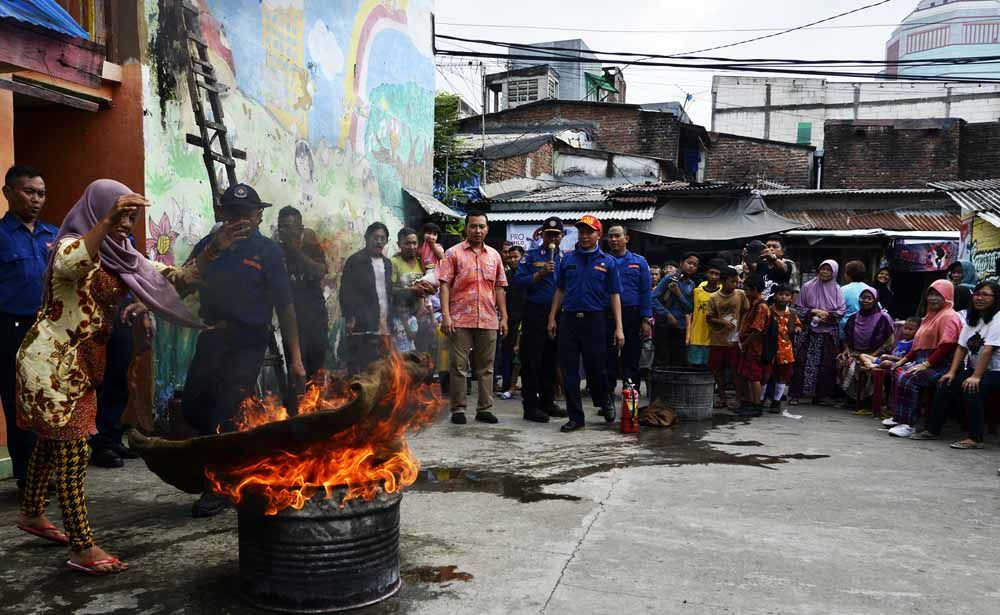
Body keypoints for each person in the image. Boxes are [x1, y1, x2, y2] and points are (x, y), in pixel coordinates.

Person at [17, 179, 202, 575]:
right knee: (74, 450)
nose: (125, 225)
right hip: (51, 364)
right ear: (97, 212)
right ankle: (82, 546)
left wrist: (214, 257)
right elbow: (77, 260)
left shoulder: (124, 256)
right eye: (119, 216)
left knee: (52, 445)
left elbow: (167, 274)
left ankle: (32, 514)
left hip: (82, 364)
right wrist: (106, 222)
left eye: (131, 218)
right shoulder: (67, 246)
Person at [183, 183, 305, 517]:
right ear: (222, 214)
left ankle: (220, 486)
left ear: (257, 216)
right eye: (233, 213)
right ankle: (224, 468)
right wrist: (214, 250)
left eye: (247, 213)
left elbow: (285, 306)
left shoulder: (267, 251)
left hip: (249, 340)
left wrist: (295, 359)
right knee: (194, 406)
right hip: (211, 335)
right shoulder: (209, 246)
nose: (241, 220)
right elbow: (182, 283)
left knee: (227, 408)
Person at [0, 165, 57, 492]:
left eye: (41, 193)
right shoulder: (2, 236)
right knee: (19, 403)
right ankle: (28, 475)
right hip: (12, 329)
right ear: (8, 193)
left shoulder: (55, 235)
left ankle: (47, 468)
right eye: (29, 192)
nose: (36, 199)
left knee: (49, 401)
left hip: (49, 331)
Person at [547, 215, 623, 432]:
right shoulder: (567, 259)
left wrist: (619, 327)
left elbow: (615, 295)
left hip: (596, 320)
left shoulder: (608, 262)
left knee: (596, 369)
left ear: (599, 235)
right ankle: (576, 417)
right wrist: (552, 317)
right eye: (581, 232)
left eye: (589, 232)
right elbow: (560, 290)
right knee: (569, 371)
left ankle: (604, 399)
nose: (584, 236)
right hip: (569, 319)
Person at [438, 210, 508, 425]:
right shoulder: (453, 254)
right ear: (466, 228)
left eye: (481, 226)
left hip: (488, 318)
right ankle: (458, 409)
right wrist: (446, 316)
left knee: (486, 367)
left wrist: (504, 317)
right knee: (458, 366)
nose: (477, 230)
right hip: (459, 319)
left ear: (487, 229)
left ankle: (484, 408)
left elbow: (499, 288)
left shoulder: (495, 256)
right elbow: (444, 285)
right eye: (473, 226)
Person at [912, 281, 1000, 448]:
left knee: (973, 387)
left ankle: (975, 438)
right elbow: (961, 347)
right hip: (978, 369)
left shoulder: (998, 318)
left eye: (985, 295)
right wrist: (952, 372)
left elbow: (988, 350)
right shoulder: (973, 319)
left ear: (995, 299)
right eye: (977, 294)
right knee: (946, 382)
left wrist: (975, 376)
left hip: (996, 371)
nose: (979, 298)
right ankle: (933, 430)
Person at [882, 280, 963, 438]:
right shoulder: (929, 316)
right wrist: (901, 361)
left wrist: (926, 364)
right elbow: (918, 346)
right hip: (923, 359)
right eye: (931, 294)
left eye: (938, 295)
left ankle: (908, 424)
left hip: (941, 364)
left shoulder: (949, 316)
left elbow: (946, 346)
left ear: (947, 296)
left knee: (908, 378)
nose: (933, 298)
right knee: (897, 371)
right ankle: (899, 416)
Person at [514, 216, 566, 422]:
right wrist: (540, 273)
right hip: (534, 312)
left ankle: (547, 401)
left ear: (561, 237)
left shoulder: (565, 258)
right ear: (542, 235)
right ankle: (530, 406)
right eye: (549, 234)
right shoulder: (531, 255)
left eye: (556, 234)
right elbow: (519, 281)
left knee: (550, 359)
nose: (552, 237)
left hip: (558, 314)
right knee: (531, 359)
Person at [277, 206, 328, 378]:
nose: (285, 232)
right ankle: (297, 403)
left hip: (315, 317)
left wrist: (296, 253)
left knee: (316, 368)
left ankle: (317, 403)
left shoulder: (309, 243)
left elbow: (320, 271)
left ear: (300, 228)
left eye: (290, 228)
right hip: (290, 320)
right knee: (296, 368)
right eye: (282, 227)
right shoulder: (275, 249)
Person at [339, 222, 393, 374]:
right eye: (375, 237)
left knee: (382, 368)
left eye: (383, 238)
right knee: (362, 367)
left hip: (384, 323)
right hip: (362, 324)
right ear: (367, 238)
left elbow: (388, 291)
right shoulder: (355, 261)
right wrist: (349, 317)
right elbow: (346, 291)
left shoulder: (387, 264)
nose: (379, 241)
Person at [604, 225, 652, 399]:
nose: (614, 240)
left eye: (617, 236)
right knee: (607, 355)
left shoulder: (639, 261)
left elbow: (646, 291)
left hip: (632, 314)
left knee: (631, 355)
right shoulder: (603, 261)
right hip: (607, 314)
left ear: (627, 238)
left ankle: (631, 392)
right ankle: (607, 394)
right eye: (610, 237)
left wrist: (646, 319)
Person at [790, 260, 845, 406]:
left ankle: (820, 396)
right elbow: (798, 308)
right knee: (801, 362)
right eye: (823, 269)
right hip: (808, 332)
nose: (825, 272)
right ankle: (796, 394)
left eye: (828, 270)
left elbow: (841, 311)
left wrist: (826, 316)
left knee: (826, 364)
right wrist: (813, 311)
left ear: (834, 273)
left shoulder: (837, 290)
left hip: (828, 333)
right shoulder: (808, 287)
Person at [837, 286, 895, 411]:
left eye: (869, 298)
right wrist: (846, 350)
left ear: (875, 300)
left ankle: (868, 400)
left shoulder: (883, 318)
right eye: (863, 298)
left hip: (876, 354)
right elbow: (846, 337)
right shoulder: (853, 317)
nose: (866, 301)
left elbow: (888, 342)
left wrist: (873, 355)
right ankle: (852, 399)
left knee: (867, 367)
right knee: (848, 364)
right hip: (855, 352)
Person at [706, 267, 748, 410]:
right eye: (732, 282)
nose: (735, 284)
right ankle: (722, 397)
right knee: (718, 370)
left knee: (736, 370)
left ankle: (737, 397)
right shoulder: (714, 298)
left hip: (735, 339)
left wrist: (741, 329)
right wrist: (722, 322)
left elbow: (745, 312)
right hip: (718, 339)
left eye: (737, 281)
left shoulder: (741, 295)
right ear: (723, 281)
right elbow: (709, 317)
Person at [652, 253, 698, 367]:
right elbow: (652, 298)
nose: (691, 266)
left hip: (681, 326)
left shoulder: (691, 284)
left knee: (678, 360)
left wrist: (678, 294)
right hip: (665, 325)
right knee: (663, 358)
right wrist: (667, 315)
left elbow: (690, 308)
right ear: (681, 263)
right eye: (689, 263)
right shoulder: (670, 278)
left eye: (695, 265)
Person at [761, 284, 800, 413]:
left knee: (782, 377)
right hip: (769, 348)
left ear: (791, 298)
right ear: (775, 295)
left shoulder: (792, 313)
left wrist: (797, 329)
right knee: (765, 375)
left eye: (787, 295)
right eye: (781, 294)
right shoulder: (768, 310)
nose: (783, 297)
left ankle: (776, 401)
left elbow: (798, 326)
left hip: (785, 351)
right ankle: (761, 399)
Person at [737, 275, 770, 417]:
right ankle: (750, 403)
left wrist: (745, 344)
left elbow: (757, 330)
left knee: (754, 376)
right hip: (749, 345)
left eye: (747, 289)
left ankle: (757, 405)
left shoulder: (761, 306)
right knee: (748, 375)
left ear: (754, 289)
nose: (744, 291)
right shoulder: (754, 304)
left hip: (755, 346)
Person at [499, 245, 525, 400]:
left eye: (516, 256)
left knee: (522, 355)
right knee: (507, 353)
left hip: (525, 319)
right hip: (508, 319)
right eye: (510, 257)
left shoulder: (528, 275)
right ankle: (507, 385)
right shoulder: (505, 276)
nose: (513, 260)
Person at [688, 258, 722, 368]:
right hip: (697, 335)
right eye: (711, 273)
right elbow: (690, 312)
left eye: (717, 274)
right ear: (707, 273)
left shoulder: (722, 291)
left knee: (712, 369)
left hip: (714, 338)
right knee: (696, 369)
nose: (713, 276)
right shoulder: (697, 291)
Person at [760, 236, 800, 302]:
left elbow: (795, 288)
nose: (771, 249)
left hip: (780, 305)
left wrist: (791, 307)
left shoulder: (789, 263)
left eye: (775, 247)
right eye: (768, 246)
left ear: (782, 251)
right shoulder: (761, 263)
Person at [839, 260, 868, 337]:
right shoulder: (870, 290)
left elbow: (837, 312)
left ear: (848, 275)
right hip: (866, 331)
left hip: (845, 332)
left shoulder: (842, 290)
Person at [390, 289, 419, 353]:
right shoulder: (394, 320)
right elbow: (391, 336)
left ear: (410, 307)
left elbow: (412, 336)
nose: (403, 309)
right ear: (395, 306)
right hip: (396, 352)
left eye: (406, 306)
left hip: (409, 351)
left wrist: (404, 321)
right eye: (401, 306)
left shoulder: (413, 320)